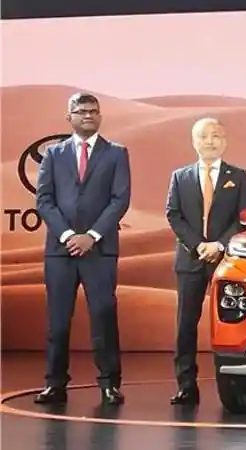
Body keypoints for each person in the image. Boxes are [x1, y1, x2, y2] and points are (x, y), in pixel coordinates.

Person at [34, 93, 131, 405]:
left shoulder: (116, 153)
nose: (88, 115)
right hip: (60, 251)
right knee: (58, 320)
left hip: (99, 250)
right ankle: (55, 384)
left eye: (93, 111)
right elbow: (44, 200)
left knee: (103, 316)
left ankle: (109, 384)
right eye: (81, 111)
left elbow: (120, 199)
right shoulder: (53, 154)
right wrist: (66, 235)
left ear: (99, 116)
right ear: (69, 117)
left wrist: (91, 235)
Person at [165, 117, 246, 405]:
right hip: (190, 260)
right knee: (185, 325)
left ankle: (231, 386)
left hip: (225, 261)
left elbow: (244, 217)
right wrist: (198, 245)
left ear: (224, 141)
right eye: (203, 136)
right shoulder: (180, 177)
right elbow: (173, 215)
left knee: (229, 322)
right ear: (194, 142)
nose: (210, 141)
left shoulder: (239, 176)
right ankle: (186, 385)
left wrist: (219, 245)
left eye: (216, 136)